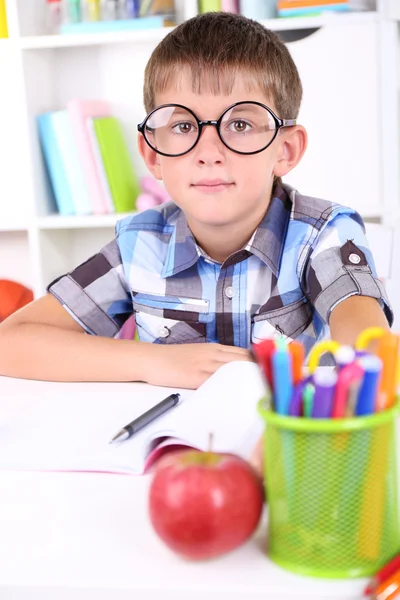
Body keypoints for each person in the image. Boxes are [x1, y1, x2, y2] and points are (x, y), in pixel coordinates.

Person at [0, 12, 391, 389]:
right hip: (168, 446)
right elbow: (10, 343)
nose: (209, 151)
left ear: (285, 150)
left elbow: (369, 348)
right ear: (153, 152)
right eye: (183, 125)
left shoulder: (321, 234)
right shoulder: (139, 245)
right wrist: (156, 363)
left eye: (239, 124)